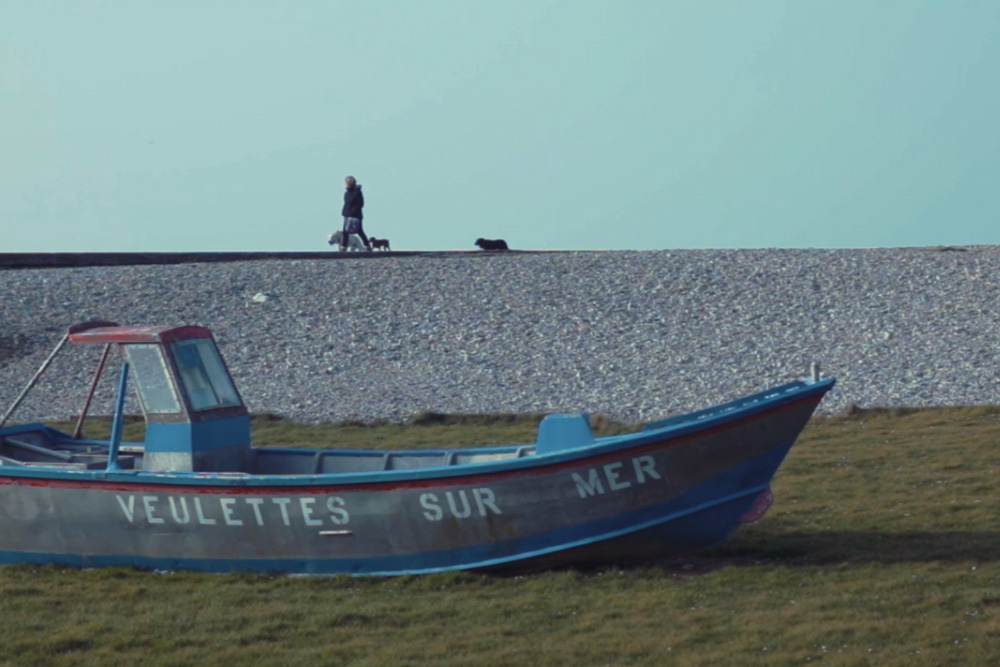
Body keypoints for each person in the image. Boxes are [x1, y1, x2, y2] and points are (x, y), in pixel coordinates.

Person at [341, 175, 371, 251]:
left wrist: (353, 212)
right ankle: (344, 247)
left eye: (348, 182)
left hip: (356, 215)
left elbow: (360, 204)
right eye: (346, 182)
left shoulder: (357, 192)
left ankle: (367, 245)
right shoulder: (347, 193)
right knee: (345, 231)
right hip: (347, 215)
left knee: (359, 231)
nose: (347, 183)